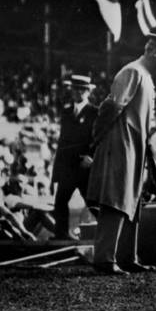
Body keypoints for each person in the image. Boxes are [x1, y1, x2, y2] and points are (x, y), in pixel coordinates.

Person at [86, 33, 156, 275]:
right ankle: (105, 259)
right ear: (153, 51)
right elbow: (112, 106)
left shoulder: (146, 77)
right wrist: (96, 137)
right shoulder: (133, 72)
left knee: (133, 201)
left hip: (136, 145)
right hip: (121, 143)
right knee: (116, 200)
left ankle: (128, 257)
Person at [51, 74, 98, 240]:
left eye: (82, 89)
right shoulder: (66, 112)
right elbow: (62, 143)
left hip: (85, 167)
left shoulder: (95, 112)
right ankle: (61, 236)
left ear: (88, 92)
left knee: (93, 203)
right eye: (75, 89)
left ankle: (111, 235)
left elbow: (100, 138)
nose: (78, 92)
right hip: (68, 168)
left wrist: (92, 157)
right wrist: (55, 175)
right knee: (60, 202)